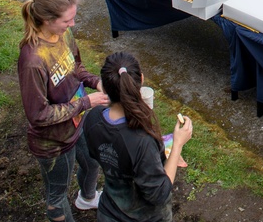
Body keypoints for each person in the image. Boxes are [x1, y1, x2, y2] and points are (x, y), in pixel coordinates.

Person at [17, 0, 109, 222]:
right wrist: (86, 102)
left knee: (91, 163)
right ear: (47, 20)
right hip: (54, 142)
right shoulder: (33, 61)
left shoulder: (63, 35)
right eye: (67, 20)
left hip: (77, 123)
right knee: (57, 196)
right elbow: (38, 114)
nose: (73, 24)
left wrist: (96, 83)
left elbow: (76, 67)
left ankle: (87, 198)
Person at [83, 51, 194, 222]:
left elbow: (98, 153)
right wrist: (177, 144)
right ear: (141, 80)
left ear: (104, 87)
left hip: (109, 209)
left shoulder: (92, 118)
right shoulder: (142, 141)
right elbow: (160, 193)